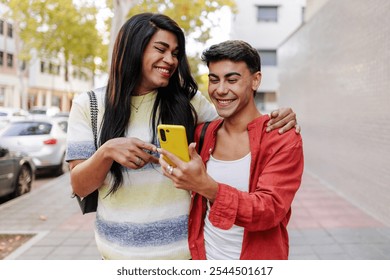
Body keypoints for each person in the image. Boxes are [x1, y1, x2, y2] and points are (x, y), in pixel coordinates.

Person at [66, 13, 299, 260]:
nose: (170, 60)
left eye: (175, 53)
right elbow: (80, 186)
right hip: (118, 256)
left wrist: (277, 119)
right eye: (161, 49)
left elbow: (235, 120)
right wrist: (107, 152)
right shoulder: (90, 105)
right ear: (134, 48)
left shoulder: (189, 103)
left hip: (185, 256)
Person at [158, 40, 304, 260]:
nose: (221, 90)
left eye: (232, 80)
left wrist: (208, 188)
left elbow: (269, 210)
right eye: (214, 80)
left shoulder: (282, 138)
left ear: (256, 80)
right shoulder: (202, 134)